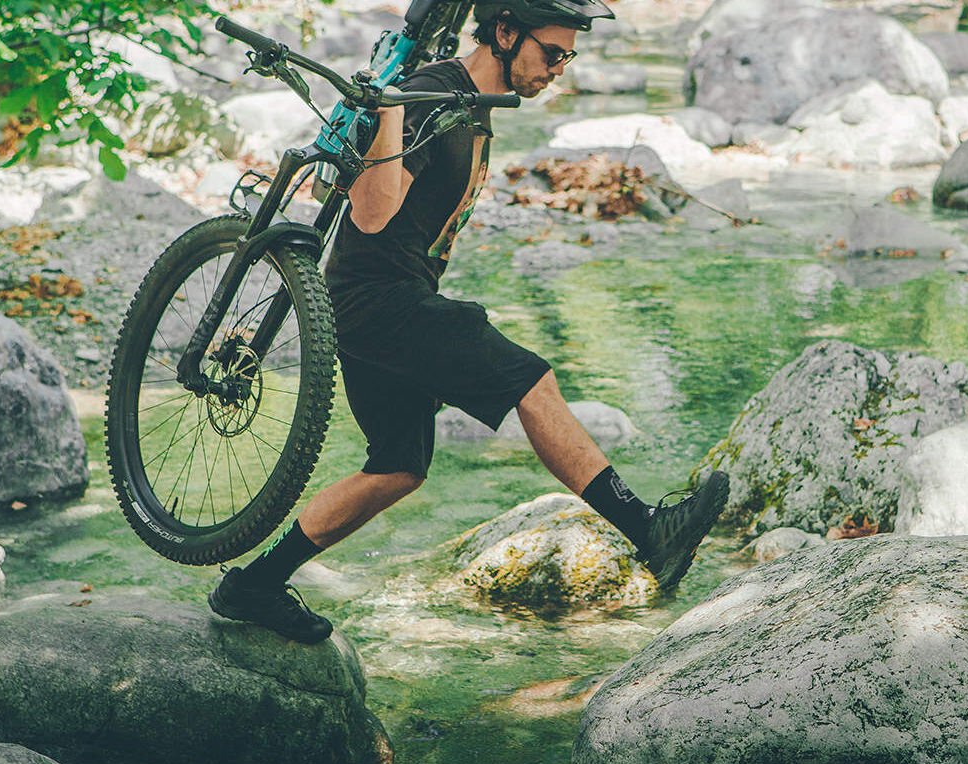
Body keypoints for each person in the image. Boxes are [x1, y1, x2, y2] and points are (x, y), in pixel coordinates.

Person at [208, 0, 731, 643]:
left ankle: (254, 584)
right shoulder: (428, 95)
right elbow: (370, 216)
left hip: (379, 302)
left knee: (399, 465)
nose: (560, 68)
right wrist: (390, 107)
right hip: (380, 301)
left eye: (569, 56)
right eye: (553, 52)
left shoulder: (472, 105)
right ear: (506, 33)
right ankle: (649, 530)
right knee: (530, 382)